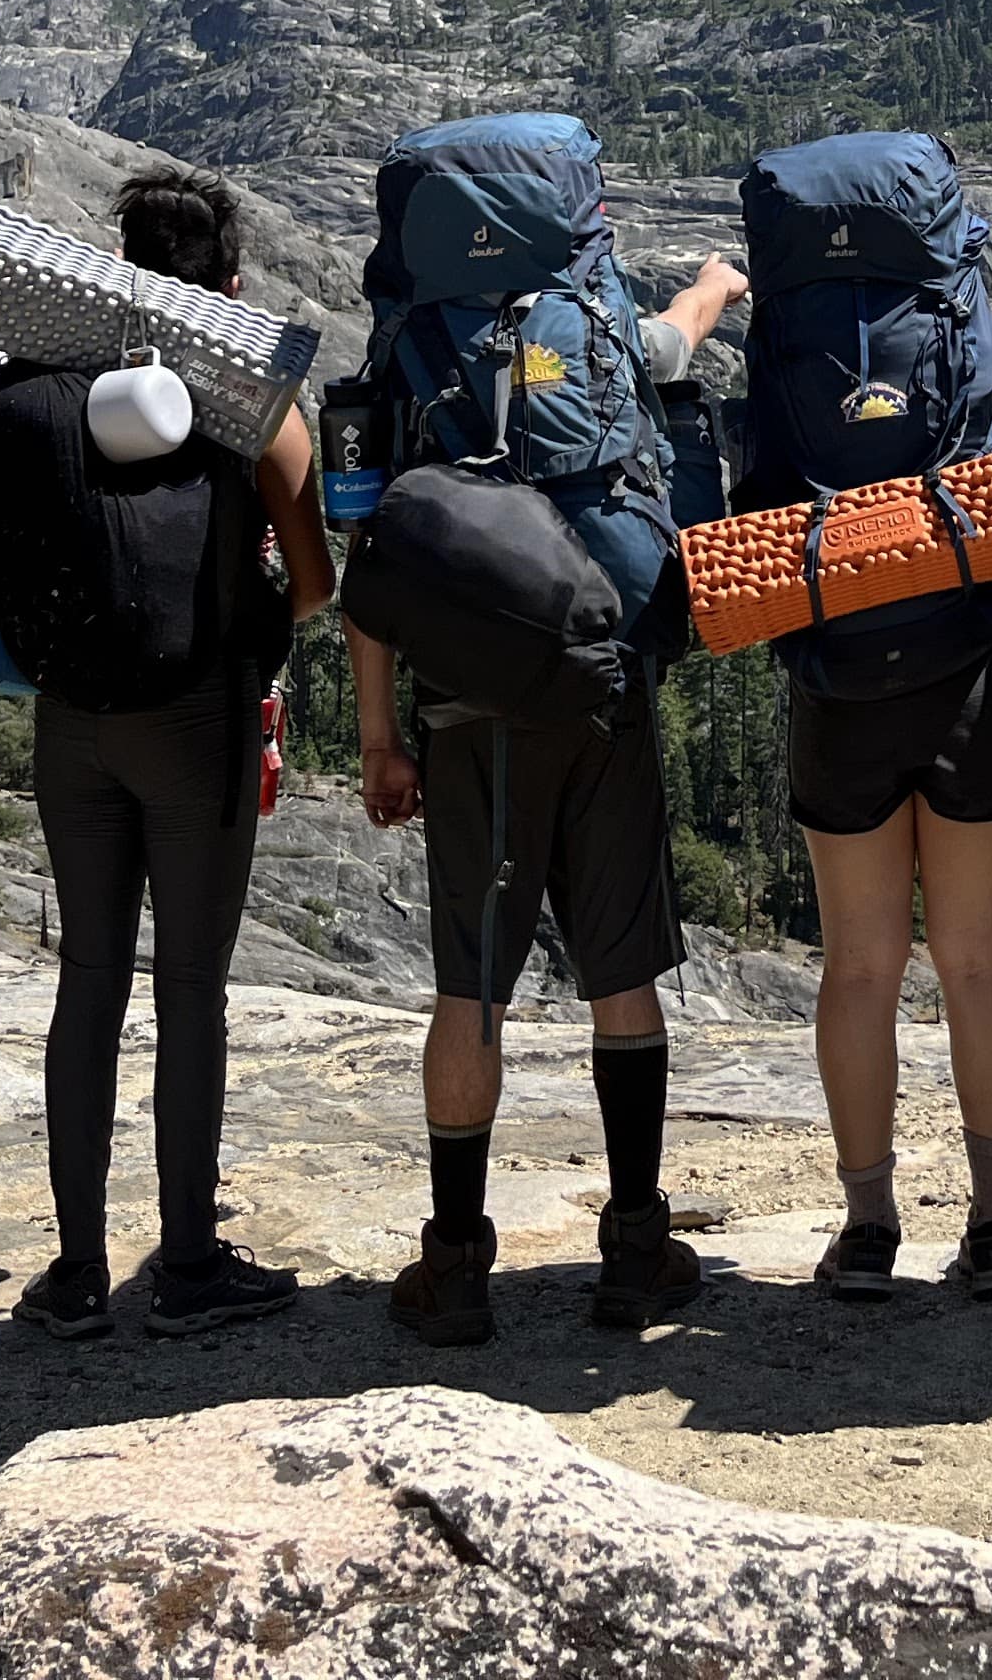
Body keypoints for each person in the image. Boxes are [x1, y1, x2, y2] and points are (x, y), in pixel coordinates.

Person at [359, 251, 748, 1347]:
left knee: (468, 988)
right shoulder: (597, 326)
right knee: (619, 970)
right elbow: (676, 340)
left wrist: (382, 737)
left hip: (468, 707)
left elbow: (373, 562)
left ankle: (456, 1263)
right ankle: (634, 1249)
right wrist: (717, 287)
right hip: (604, 686)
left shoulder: (413, 351)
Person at [11, 170, 338, 1341]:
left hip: (68, 720)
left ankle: (75, 1273)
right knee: (189, 986)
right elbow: (312, 585)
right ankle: (189, 1263)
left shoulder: (53, 378)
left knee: (87, 979)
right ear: (231, 284)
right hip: (195, 720)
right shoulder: (251, 398)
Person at [771, 293, 992, 1305]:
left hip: (838, 697)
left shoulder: (798, 352)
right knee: (978, 958)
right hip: (972, 689)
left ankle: (867, 1228)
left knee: (858, 966)